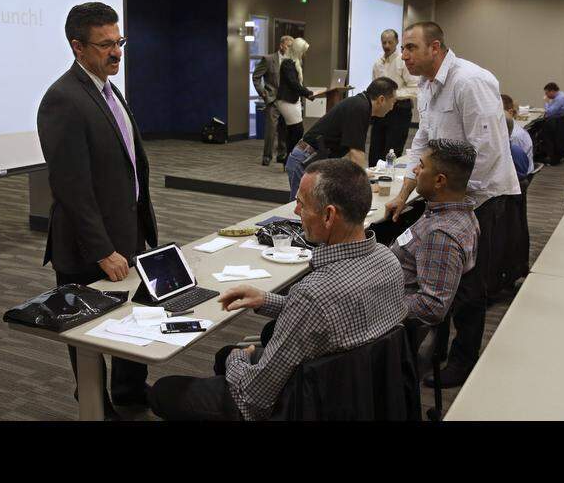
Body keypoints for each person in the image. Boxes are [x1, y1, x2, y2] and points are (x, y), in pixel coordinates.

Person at [147, 160, 406, 421]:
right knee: (224, 356)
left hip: (300, 404)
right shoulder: (388, 260)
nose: (296, 211)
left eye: (302, 204)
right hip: (354, 393)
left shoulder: (314, 294)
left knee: (166, 389)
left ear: (328, 215)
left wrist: (238, 358)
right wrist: (265, 300)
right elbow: (332, 316)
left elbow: (254, 398)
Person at [385, 21, 526, 389]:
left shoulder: (469, 81)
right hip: (449, 196)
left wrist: (453, 205)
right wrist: (404, 194)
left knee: (468, 288)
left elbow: (486, 153)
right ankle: (438, 348)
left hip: (481, 197)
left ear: (435, 48)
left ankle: (464, 361)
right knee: (441, 276)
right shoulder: (428, 85)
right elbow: (423, 144)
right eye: (402, 49)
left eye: (410, 48)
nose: (404, 56)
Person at [37, 2, 158, 420]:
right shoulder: (63, 100)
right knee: (88, 333)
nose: (117, 52)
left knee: (130, 318)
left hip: (126, 231)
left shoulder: (107, 88)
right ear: (78, 47)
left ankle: (128, 390)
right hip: (90, 245)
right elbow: (72, 190)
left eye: (119, 41)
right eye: (105, 45)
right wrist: (102, 250)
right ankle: (95, 404)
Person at [389, 139, 480, 355]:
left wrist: (379, 301)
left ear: (439, 180)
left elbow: (432, 306)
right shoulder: (456, 212)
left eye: (421, 165)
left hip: (390, 327)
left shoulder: (441, 236)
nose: (415, 169)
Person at [285, 77, 398, 200]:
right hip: (305, 161)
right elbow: (355, 153)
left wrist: (361, 175)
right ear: (381, 100)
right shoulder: (360, 107)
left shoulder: (360, 104)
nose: (392, 107)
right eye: (392, 102)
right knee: (301, 211)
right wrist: (364, 186)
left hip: (313, 159)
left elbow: (353, 152)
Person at [369, 29, 419, 167]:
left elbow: (415, 87)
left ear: (397, 42)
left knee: (392, 151)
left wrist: (392, 96)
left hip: (399, 110)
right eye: (384, 42)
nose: (386, 45)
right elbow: (375, 86)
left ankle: (388, 182)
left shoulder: (403, 62)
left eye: (390, 42)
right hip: (380, 111)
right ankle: (373, 183)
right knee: (374, 151)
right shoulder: (377, 63)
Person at [251, 35, 294, 166]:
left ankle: (282, 154)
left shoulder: (292, 61)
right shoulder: (268, 59)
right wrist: (263, 92)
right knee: (271, 129)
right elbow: (256, 76)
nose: (290, 49)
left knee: (284, 129)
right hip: (273, 99)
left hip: (287, 100)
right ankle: (267, 156)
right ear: (281, 45)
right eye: (288, 46)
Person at [277, 37, 317, 158]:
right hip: (286, 100)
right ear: (298, 50)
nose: (305, 54)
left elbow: (296, 84)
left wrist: (306, 93)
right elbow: (293, 83)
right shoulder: (287, 63)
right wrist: (308, 93)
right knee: (297, 130)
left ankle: (290, 159)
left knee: (294, 131)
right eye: (303, 51)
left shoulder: (295, 63)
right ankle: (292, 159)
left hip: (293, 100)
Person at [501, 94, 534, 177]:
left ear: (510, 112)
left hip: (520, 177)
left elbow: (515, 166)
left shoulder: (514, 136)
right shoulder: (513, 129)